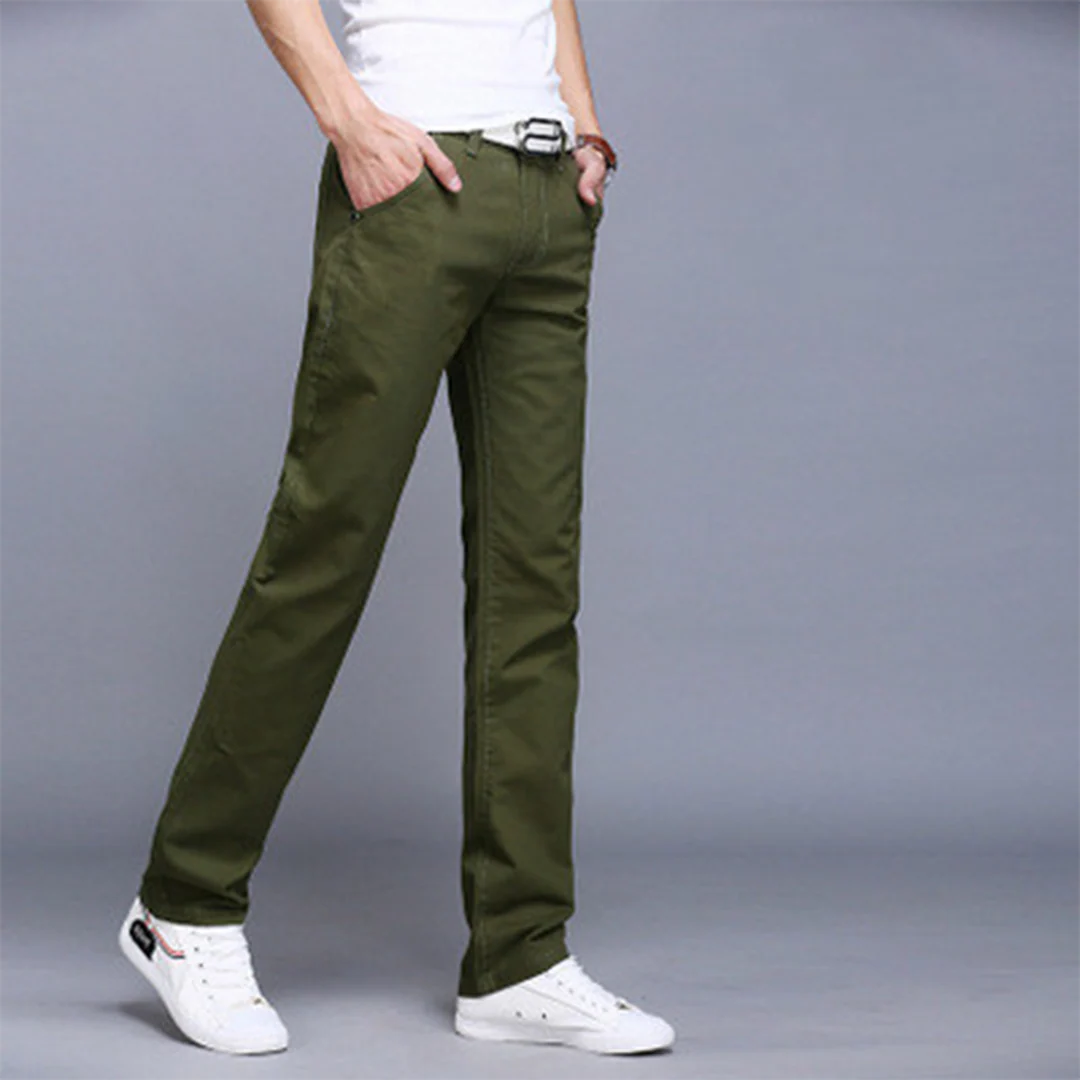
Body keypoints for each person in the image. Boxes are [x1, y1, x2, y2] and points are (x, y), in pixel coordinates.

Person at [117, 0, 675, 1057]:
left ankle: (519, 955)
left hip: (549, 192)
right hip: (415, 179)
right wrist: (348, 118)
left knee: (533, 582)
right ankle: (183, 906)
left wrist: (587, 127)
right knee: (324, 548)